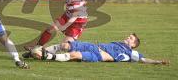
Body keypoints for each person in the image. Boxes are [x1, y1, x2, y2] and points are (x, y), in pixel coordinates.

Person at [23, 0, 88, 58]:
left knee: (65, 46)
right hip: (68, 15)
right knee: (50, 29)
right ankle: (37, 48)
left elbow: (75, 17)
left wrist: (64, 26)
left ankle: (44, 54)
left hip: (78, 22)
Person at [34, 33, 169, 65]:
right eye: (129, 36)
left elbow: (143, 59)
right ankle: (38, 51)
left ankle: (47, 56)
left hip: (98, 55)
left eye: (130, 38)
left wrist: (157, 62)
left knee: (74, 54)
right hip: (94, 46)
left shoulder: (131, 53)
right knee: (66, 44)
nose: (127, 38)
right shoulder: (118, 43)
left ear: (133, 45)